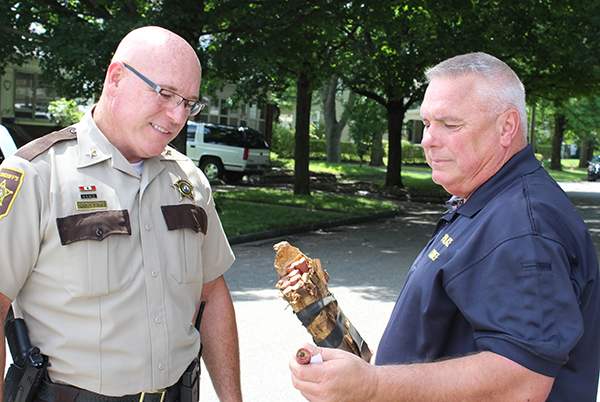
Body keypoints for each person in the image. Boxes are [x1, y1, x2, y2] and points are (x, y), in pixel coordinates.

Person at [289, 52, 600, 402]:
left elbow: (522, 381)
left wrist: (373, 386)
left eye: (450, 125)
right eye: (426, 123)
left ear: (507, 127)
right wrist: (362, 366)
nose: (428, 140)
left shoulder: (522, 224)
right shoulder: (487, 199)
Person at [0, 26, 243, 402]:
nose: (178, 115)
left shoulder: (188, 178)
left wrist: (232, 399)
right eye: (165, 94)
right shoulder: (36, 174)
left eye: (189, 102)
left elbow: (211, 292)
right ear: (116, 79)